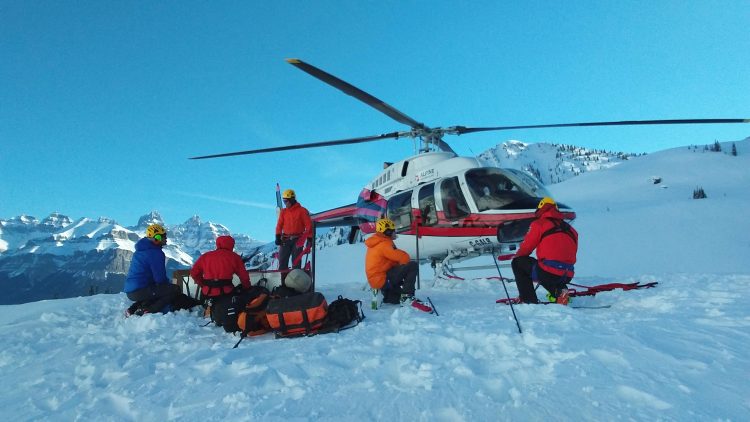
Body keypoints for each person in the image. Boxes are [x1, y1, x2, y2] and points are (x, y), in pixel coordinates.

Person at [511, 197, 578, 305]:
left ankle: (528, 300)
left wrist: (517, 256)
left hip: (549, 272)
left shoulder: (539, 224)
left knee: (519, 263)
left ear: (540, 209)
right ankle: (560, 291)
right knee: (548, 269)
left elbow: (526, 248)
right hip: (568, 274)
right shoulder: (571, 229)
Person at [364, 217, 431, 311]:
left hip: (376, 281)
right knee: (412, 265)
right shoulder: (384, 244)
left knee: (396, 299)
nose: (395, 233)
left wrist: (400, 272)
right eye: (393, 231)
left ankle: (383, 296)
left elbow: (390, 261)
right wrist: (404, 272)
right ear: (387, 232)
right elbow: (404, 258)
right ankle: (407, 297)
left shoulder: (376, 242)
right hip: (382, 278)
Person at [123, 223, 179, 315]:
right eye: (163, 236)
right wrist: (168, 286)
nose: (166, 239)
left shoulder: (140, 250)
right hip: (140, 291)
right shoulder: (155, 253)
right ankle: (148, 310)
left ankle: (132, 309)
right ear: (157, 238)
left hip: (131, 291)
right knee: (174, 289)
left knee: (155, 291)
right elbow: (160, 279)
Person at [275, 189, 313, 272]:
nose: (285, 203)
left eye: (286, 201)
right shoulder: (283, 212)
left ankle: (295, 282)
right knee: (282, 261)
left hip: (298, 240)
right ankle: (283, 282)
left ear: (292, 200)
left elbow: (309, 226)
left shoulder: (302, 211)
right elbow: (279, 225)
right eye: (283, 201)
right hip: (285, 239)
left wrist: (309, 239)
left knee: (296, 262)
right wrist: (277, 236)